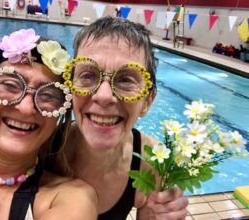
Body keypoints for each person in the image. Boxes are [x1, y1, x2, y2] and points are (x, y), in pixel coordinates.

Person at [0, 29, 97, 220]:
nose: (26, 108)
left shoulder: (68, 199)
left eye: (48, 95)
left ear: (59, 113)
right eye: (11, 85)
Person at [56, 16, 189, 219]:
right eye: (88, 76)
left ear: (147, 102)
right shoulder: (47, 147)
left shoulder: (152, 161)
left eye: (126, 79)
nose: (103, 96)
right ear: (70, 89)